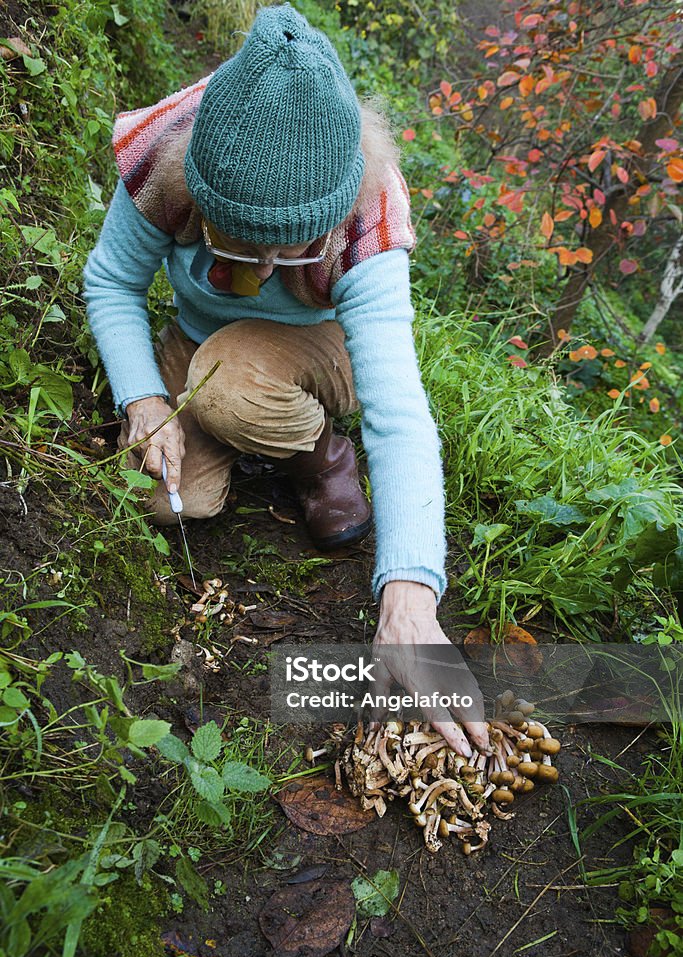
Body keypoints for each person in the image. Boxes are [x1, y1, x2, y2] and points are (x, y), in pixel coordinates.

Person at [83, 3, 490, 755]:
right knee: (166, 502)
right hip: (201, 340)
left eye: (285, 250)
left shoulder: (368, 212)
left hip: (317, 348)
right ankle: (245, 427)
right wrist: (142, 399)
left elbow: (398, 413)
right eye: (239, 245)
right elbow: (111, 283)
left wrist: (407, 595)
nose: (262, 272)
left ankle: (317, 455)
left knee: (232, 382)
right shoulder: (170, 152)